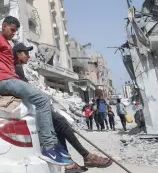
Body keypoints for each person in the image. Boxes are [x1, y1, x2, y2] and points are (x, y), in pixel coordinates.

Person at [0, 16, 71, 166]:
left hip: (12, 79)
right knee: (42, 100)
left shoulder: (8, 44)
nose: (13, 33)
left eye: (15, 31)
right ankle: (48, 148)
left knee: (45, 102)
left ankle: (54, 143)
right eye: (11, 30)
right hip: (4, 81)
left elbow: (12, 61)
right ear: (4, 26)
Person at [13, 43, 113, 171]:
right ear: (18, 54)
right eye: (26, 53)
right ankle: (85, 156)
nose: (28, 55)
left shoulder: (19, 68)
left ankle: (71, 161)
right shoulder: (17, 68)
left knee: (59, 124)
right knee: (60, 122)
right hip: (34, 105)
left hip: (35, 105)